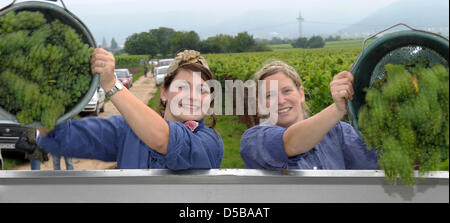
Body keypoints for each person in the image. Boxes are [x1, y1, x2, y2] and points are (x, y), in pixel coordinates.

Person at [36, 49, 224, 170]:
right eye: (183, 87)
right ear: (164, 92)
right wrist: (47, 88)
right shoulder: (127, 130)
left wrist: (111, 84)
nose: (193, 97)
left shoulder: (210, 142)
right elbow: (58, 136)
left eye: (203, 90)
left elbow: (163, 140)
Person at [240, 60, 378, 170]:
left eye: (287, 91)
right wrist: (338, 108)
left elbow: (373, 168)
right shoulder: (253, 140)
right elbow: (290, 143)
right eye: (270, 95)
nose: (281, 101)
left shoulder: (339, 132)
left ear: (301, 94)